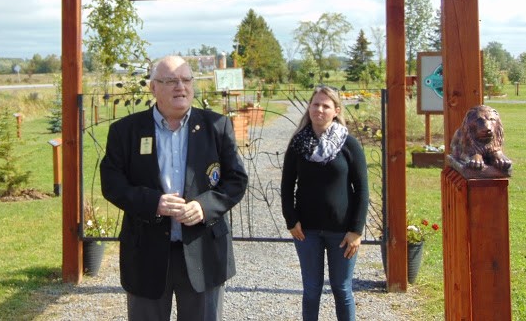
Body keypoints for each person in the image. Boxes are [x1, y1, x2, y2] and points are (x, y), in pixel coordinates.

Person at [100, 55, 248, 321]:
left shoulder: (216, 126)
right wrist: (152, 202)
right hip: (146, 253)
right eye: (171, 81)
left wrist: (204, 206)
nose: (181, 87)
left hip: (203, 251)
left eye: (186, 80)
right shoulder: (125, 131)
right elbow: (112, 183)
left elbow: (236, 179)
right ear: (153, 88)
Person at [280, 85, 369, 321]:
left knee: (342, 289)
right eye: (315, 104)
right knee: (311, 290)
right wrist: (291, 220)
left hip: (342, 232)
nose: (319, 109)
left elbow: (362, 190)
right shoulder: (297, 145)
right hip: (306, 231)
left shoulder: (349, 144)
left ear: (336, 111)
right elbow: (287, 186)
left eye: (325, 106)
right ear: (309, 107)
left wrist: (356, 230)